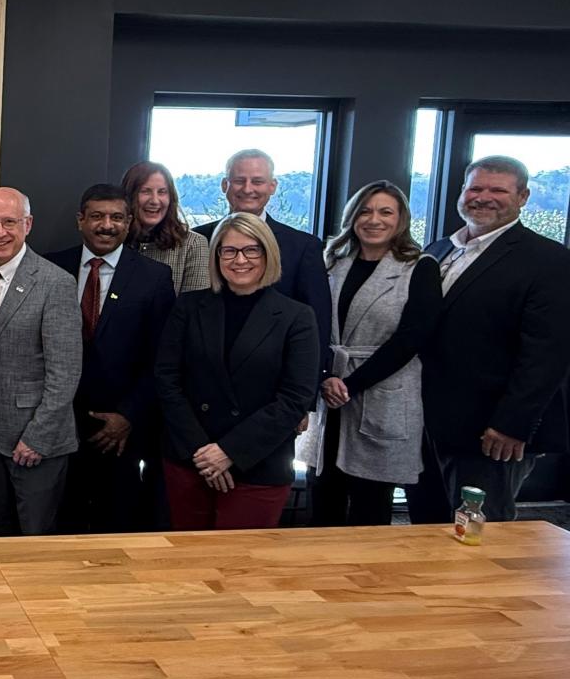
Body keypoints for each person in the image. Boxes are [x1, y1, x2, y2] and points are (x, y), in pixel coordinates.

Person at [413, 156, 570, 523]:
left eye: (498, 190)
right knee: (425, 526)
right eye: (476, 188)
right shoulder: (439, 250)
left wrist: (512, 424)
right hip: (427, 422)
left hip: (491, 432)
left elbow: (547, 353)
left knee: (480, 532)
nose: (484, 197)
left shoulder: (549, 260)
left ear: (523, 197)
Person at [155, 213, 319, 530]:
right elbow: (167, 380)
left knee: (241, 571)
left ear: (267, 253)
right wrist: (204, 454)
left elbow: (294, 398)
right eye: (228, 251)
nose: (239, 259)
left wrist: (229, 452)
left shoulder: (297, 316)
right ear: (216, 256)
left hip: (259, 464)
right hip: (190, 459)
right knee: (184, 566)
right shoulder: (188, 307)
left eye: (251, 250)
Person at [43, 183, 175, 533]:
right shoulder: (51, 267)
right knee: (59, 525)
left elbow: (162, 359)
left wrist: (128, 415)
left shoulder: (154, 278)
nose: (107, 225)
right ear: (80, 220)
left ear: (129, 222)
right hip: (59, 425)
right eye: (97, 216)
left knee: (117, 527)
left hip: (123, 431)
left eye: (117, 217)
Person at [307, 182, 440, 526]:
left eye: (385, 212)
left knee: (370, 504)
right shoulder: (332, 262)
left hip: (381, 390)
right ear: (352, 217)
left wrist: (349, 384)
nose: (374, 220)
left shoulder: (418, 267)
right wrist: (326, 377)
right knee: (323, 496)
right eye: (365, 211)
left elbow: (411, 338)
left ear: (401, 219)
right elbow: (314, 323)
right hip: (331, 393)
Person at [0, 187, 81, 536]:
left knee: (35, 545)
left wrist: (38, 437)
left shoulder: (56, 283)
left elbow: (65, 372)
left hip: (34, 440)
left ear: (28, 224)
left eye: (9, 221)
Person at [193, 149, 331, 387]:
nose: (248, 189)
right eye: (239, 180)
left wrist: (306, 397)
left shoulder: (303, 246)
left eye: (257, 181)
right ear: (225, 185)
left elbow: (317, 322)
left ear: (273, 186)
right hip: (203, 381)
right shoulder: (197, 239)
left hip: (275, 386)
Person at [122, 161, 210, 293]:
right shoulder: (114, 241)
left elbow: (195, 308)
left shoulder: (193, 244)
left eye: (162, 192)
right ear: (129, 196)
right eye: (145, 191)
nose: (154, 201)